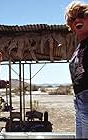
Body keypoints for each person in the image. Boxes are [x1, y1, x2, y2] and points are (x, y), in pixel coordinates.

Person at [65, 0, 88, 139]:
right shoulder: (79, 47)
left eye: (82, 15)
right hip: (79, 99)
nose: (77, 19)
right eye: (73, 18)